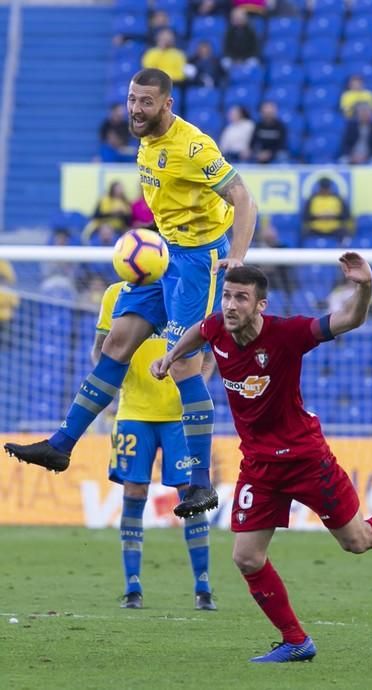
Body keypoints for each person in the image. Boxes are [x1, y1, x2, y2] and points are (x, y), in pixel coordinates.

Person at [151, 261, 372, 663]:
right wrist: (172, 355)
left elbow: (349, 318)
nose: (230, 305)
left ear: (261, 305)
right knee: (246, 557)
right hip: (259, 466)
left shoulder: (288, 333)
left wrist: (364, 287)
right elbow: (199, 331)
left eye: (241, 298)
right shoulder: (217, 329)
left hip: (305, 459)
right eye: (227, 296)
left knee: (358, 541)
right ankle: (296, 640)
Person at [5, 68, 257, 521]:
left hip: (201, 263)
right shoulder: (144, 141)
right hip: (164, 256)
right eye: (131, 99)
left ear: (167, 105)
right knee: (117, 343)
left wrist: (235, 257)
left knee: (184, 363)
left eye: (146, 102)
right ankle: (61, 445)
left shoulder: (194, 147)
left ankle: (200, 483)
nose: (135, 109)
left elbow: (243, 196)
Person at [93, 281, 216, 611]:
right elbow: (101, 349)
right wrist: (111, 389)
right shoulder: (115, 295)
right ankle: (132, 587)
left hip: (179, 418)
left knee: (191, 495)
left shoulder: (187, 290)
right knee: (133, 493)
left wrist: (195, 386)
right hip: (133, 413)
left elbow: (208, 353)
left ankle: (203, 587)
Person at [302, 177, 352, 241]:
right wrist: (317, 216)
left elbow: (346, 216)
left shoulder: (337, 198)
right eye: (323, 188)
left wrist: (334, 216)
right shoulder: (313, 199)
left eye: (327, 188)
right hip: (316, 228)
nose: (325, 190)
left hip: (334, 228)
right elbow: (305, 217)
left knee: (345, 234)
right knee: (304, 234)